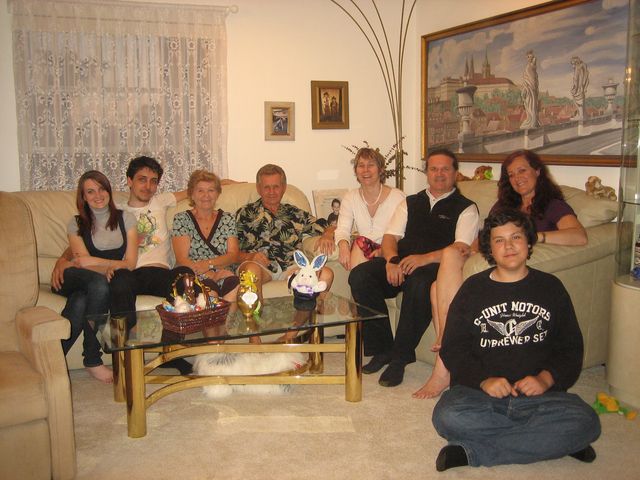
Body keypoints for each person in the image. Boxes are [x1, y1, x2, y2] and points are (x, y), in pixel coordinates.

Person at [432, 209, 600, 471]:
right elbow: (454, 349)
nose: (508, 246)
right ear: (489, 248)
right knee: (446, 416)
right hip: (479, 395)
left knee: (587, 421)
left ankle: (473, 452)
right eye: (499, 240)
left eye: (516, 237)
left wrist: (545, 379)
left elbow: (570, 348)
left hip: (539, 398)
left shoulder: (551, 288)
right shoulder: (472, 290)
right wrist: (484, 380)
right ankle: (556, 441)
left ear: (529, 242)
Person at [414, 149, 588, 399]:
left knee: (435, 289)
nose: (517, 178)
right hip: (488, 258)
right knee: (448, 259)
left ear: (537, 171)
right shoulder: (504, 205)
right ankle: (447, 339)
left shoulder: (552, 206)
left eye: (522, 171)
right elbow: (487, 236)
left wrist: (534, 236)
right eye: (511, 174)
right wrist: (470, 249)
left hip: (509, 268)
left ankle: (443, 362)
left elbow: (579, 236)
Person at [349, 148, 479, 388]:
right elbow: (390, 237)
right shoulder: (410, 202)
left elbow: (461, 248)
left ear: (455, 173)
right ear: (426, 173)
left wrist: (424, 259)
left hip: (435, 267)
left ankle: (400, 357)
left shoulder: (466, 208)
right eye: (433, 169)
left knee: (419, 284)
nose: (439, 174)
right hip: (401, 263)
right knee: (360, 275)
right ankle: (382, 349)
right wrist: (392, 260)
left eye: (445, 169)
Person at [52, 156, 195, 374]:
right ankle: (125, 355)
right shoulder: (114, 210)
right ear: (129, 181)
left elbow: (196, 189)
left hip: (159, 271)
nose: (148, 186)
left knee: (184, 276)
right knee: (119, 279)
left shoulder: (160, 201)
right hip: (130, 272)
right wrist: (62, 260)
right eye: (142, 179)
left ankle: (170, 352)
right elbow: (81, 239)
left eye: (153, 181)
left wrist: (227, 182)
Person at [53, 170, 138, 383]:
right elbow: (82, 262)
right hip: (73, 277)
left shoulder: (126, 218)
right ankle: (92, 359)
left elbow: (130, 263)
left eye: (101, 189)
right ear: (83, 197)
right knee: (99, 285)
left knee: (81, 301)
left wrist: (101, 265)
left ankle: (51, 360)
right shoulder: (76, 223)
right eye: (90, 191)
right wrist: (108, 267)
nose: (97, 195)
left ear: (108, 191)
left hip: (96, 280)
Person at [235, 163, 335, 300]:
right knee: (250, 273)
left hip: (290, 267)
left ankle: (312, 312)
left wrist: (328, 234)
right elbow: (230, 252)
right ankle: (253, 313)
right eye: (266, 187)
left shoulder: (295, 213)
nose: (271, 192)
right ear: (258, 188)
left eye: (276, 187)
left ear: (284, 187)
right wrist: (249, 257)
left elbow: (328, 225)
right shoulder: (245, 213)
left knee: (326, 274)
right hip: (259, 266)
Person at [171, 170, 240, 303]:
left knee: (235, 287)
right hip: (194, 274)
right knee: (210, 292)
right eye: (200, 190)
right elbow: (182, 259)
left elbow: (233, 255)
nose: (206, 195)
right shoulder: (182, 219)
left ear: (217, 194)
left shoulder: (228, 218)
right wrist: (208, 273)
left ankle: (227, 318)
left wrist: (210, 265)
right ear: (192, 194)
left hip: (223, 272)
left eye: (211, 190)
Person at [334, 147, 406, 271]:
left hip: (391, 254)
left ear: (381, 169)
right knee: (359, 244)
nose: (365, 170)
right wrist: (343, 246)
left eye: (371, 165)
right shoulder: (350, 198)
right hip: (365, 251)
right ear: (356, 171)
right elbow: (342, 229)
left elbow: (405, 234)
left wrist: (384, 251)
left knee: (360, 244)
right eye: (361, 165)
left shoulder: (398, 197)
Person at [520, 50, 540, 129]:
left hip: (530, 90)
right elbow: (530, 80)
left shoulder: (530, 67)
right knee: (530, 106)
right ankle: (532, 121)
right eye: (528, 57)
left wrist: (525, 89)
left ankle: (532, 122)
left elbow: (531, 81)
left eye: (530, 57)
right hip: (530, 90)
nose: (528, 58)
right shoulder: (531, 67)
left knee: (531, 106)